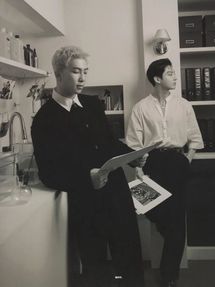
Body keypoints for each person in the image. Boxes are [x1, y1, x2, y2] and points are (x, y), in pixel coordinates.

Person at [31, 46, 146, 287]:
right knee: (96, 268)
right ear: (58, 74)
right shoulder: (44, 119)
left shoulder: (93, 105)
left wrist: (133, 156)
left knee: (130, 259)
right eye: (76, 71)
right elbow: (48, 173)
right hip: (84, 203)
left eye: (86, 71)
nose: (83, 78)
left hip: (116, 193)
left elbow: (109, 144)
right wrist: (87, 178)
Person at [126, 58, 203, 287]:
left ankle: (169, 277)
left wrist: (186, 159)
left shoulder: (184, 105)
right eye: (170, 73)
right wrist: (139, 169)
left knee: (177, 221)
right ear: (157, 79)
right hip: (152, 164)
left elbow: (195, 138)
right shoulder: (140, 107)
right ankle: (169, 273)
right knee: (156, 213)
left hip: (178, 163)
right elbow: (133, 144)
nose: (175, 77)